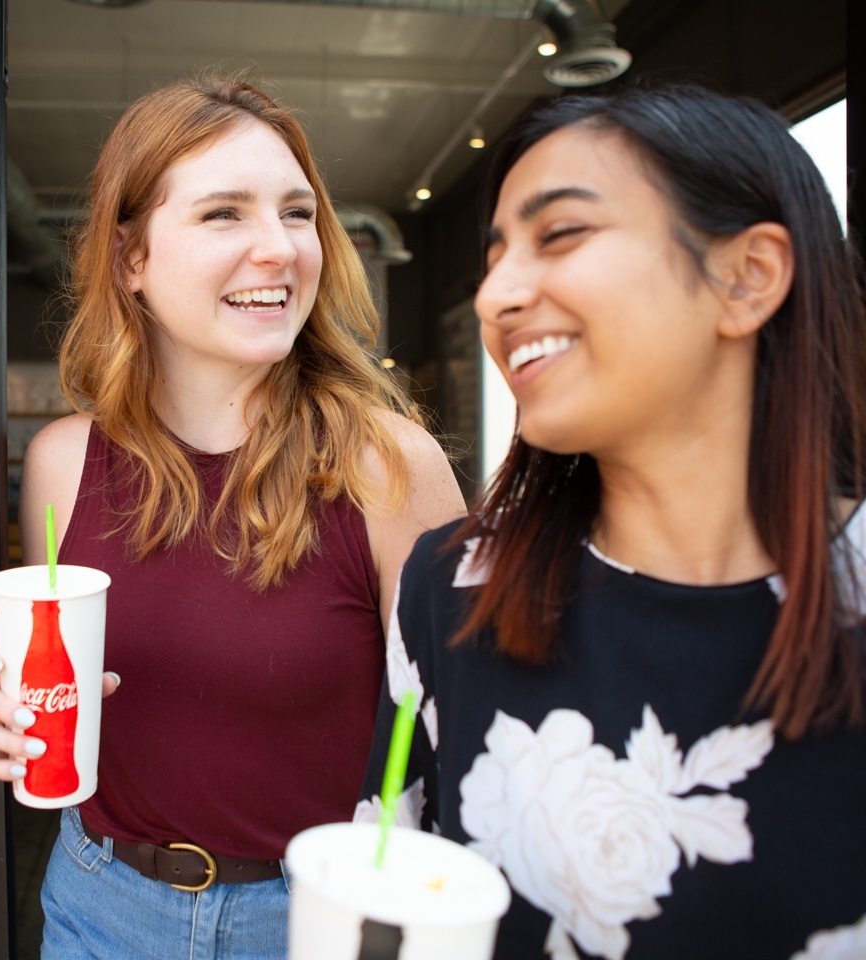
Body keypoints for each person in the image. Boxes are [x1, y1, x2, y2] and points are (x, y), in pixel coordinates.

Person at [358, 85, 866, 960]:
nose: (495, 296)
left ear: (747, 277)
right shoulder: (452, 587)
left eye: (560, 234)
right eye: (494, 258)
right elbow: (385, 898)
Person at [0, 76, 465, 960]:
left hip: (310, 920)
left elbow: (470, 738)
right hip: (97, 907)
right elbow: (55, 689)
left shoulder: (388, 466)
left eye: (298, 213)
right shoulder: (62, 462)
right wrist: (10, 720)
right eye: (224, 213)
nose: (279, 247)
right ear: (130, 258)